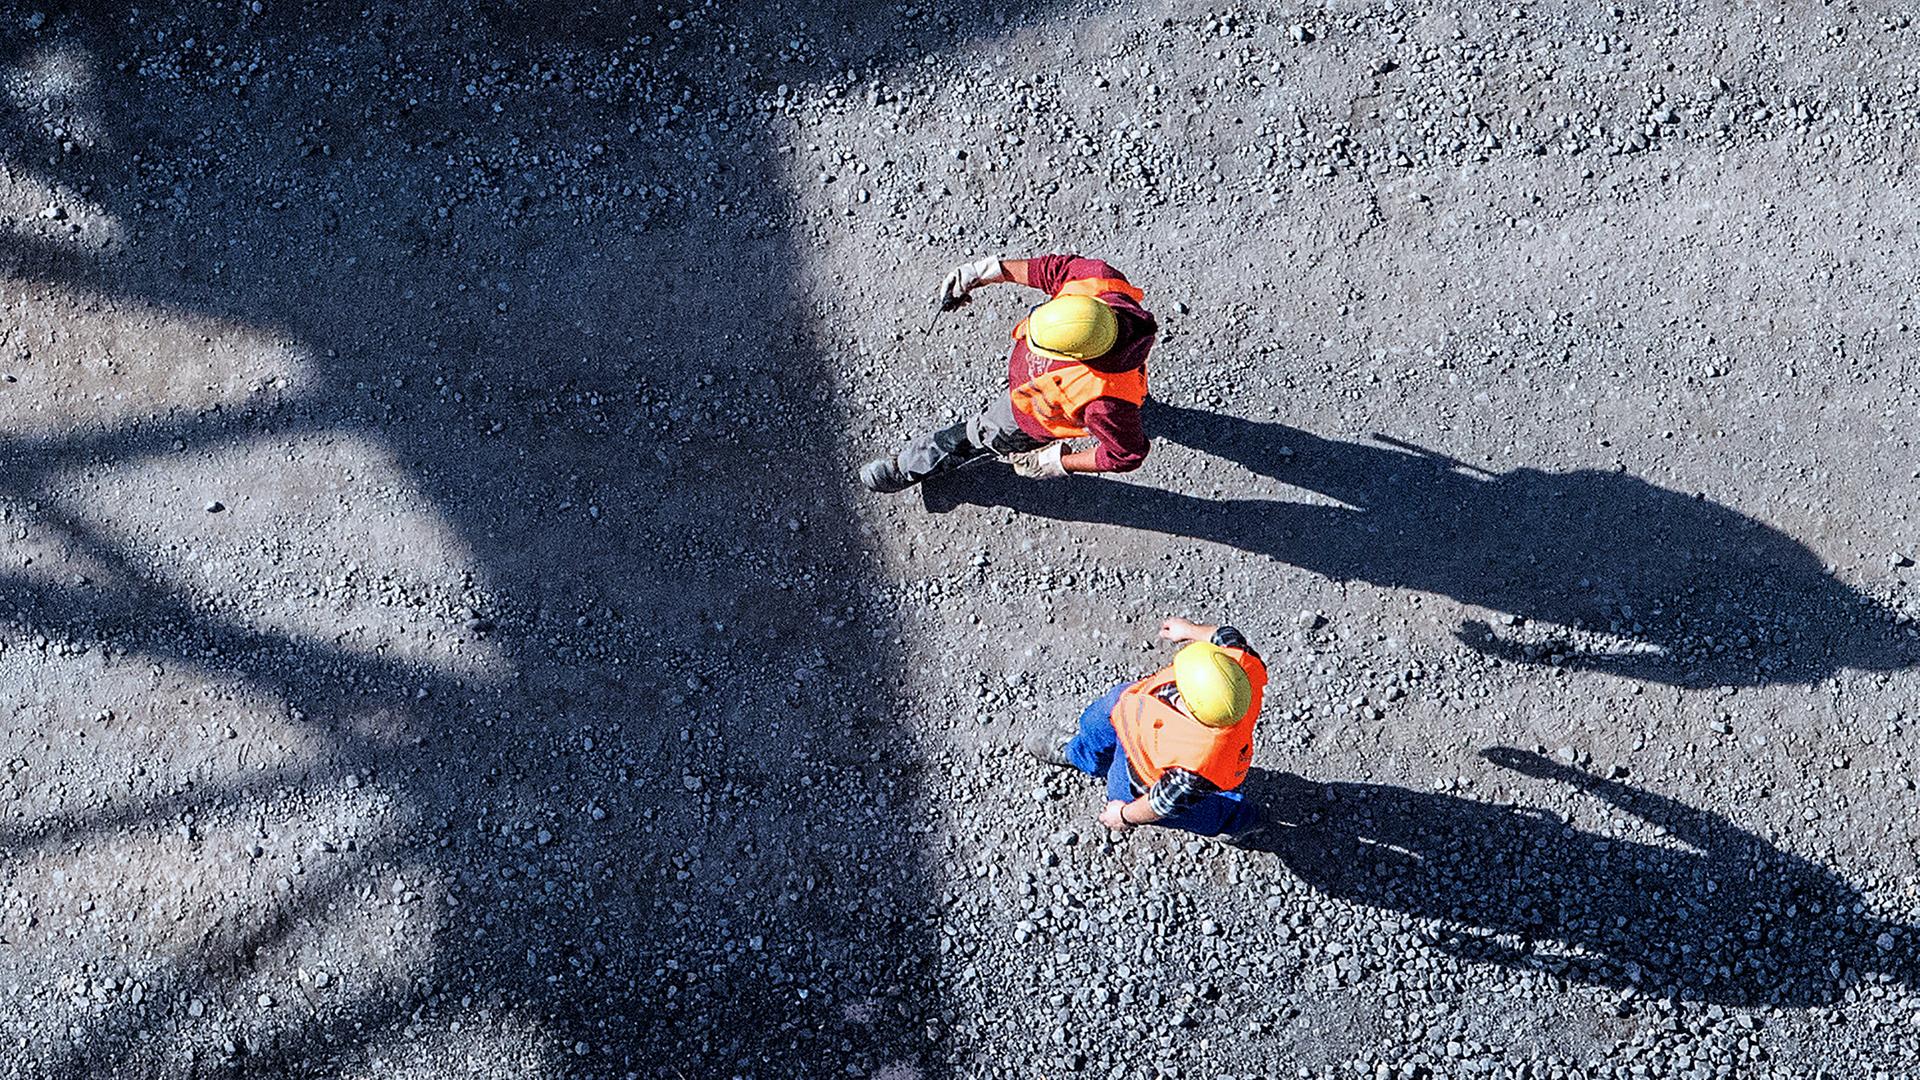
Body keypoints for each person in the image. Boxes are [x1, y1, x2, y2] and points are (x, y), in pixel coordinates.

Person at [857, 253, 1157, 493]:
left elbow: (1126, 454)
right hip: (1089, 391)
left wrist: (1058, 462)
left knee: (975, 436)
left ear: (1075, 356)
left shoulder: (1105, 404)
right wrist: (983, 272)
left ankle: (909, 467)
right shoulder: (1098, 280)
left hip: (1026, 417)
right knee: (1127, 399)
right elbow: (1050, 269)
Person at [1027, 617, 1267, 838]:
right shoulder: (1241, 665)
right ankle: (1082, 755)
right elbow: (1226, 635)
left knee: (1181, 807)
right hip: (1129, 706)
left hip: (1139, 773)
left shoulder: (1197, 765)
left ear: (1189, 706)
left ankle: (1236, 821)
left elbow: (1160, 804)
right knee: (1095, 722)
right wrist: (1190, 630)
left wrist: (1123, 815)